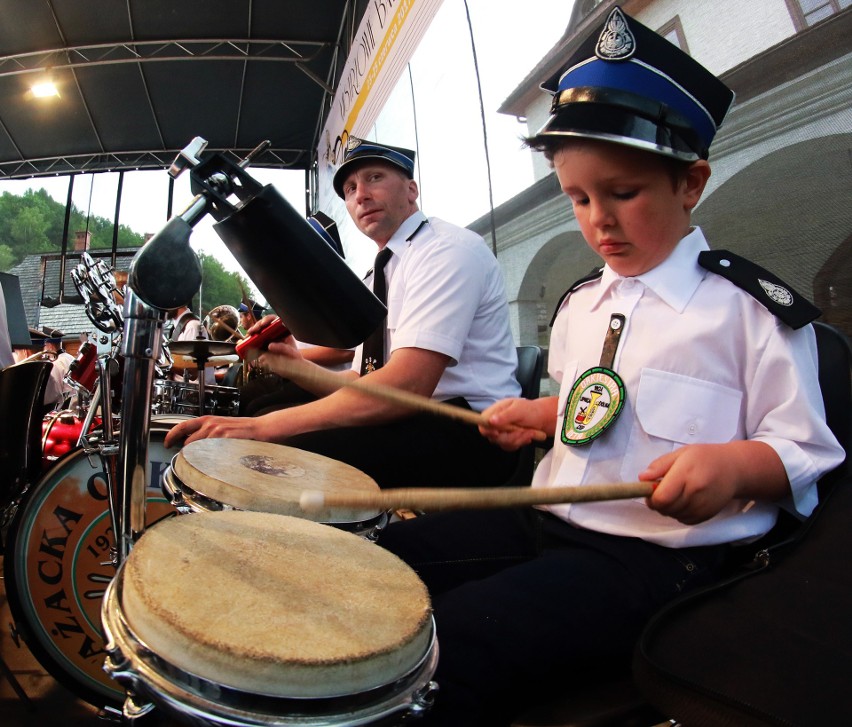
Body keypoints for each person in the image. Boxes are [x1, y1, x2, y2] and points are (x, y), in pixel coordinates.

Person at [373, 7, 846, 725]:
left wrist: (733, 467)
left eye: (623, 193)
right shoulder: (580, 307)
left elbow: (808, 447)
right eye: (579, 197)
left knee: (447, 644)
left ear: (690, 183)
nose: (598, 219)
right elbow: (599, 412)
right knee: (384, 562)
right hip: (547, 518)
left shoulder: (748, 311)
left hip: (656, 560)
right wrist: (544, 416)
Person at [165, 137, 522, 488]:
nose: (361, 195)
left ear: (411, 190)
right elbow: (360, 380)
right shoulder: (378, 273)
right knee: (268, 423)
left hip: (474, 432)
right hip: (415, 418)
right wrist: (291, 364)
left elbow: (407, 386)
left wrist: (263, 428)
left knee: (280, 457)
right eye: (350, 188)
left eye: (374, 178)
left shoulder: (444, 251)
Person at [42, 333, 76, 409]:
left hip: (64, 406)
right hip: (74, 402)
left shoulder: (56, 364)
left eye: (44, 346)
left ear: (50, 346)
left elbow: (55, 394)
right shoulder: (70, 357)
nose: (43, 350)